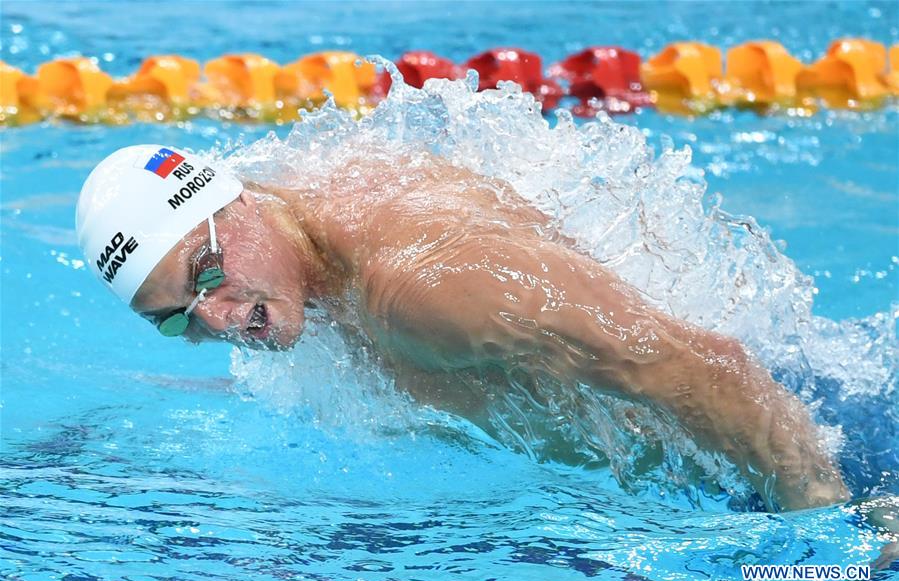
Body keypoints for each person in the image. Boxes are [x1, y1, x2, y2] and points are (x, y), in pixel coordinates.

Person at [77, 144, 850, 512]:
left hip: (796, 448)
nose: (215, 319)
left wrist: (821, 542)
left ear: (235, 202)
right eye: (178, 321)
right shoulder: (295, 237)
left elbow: (696, 363)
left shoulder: (421, 290)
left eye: (204, 277)